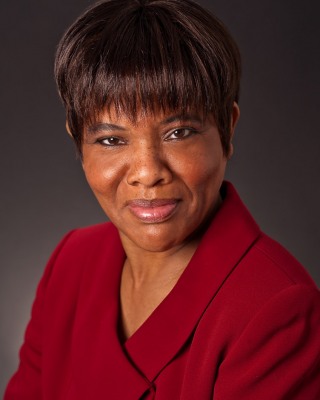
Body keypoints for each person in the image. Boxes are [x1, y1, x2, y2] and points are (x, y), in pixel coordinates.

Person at [4, 0, 320, 398]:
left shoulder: (277, 311)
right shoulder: (70, 264)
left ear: (228, 130)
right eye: (111, 140)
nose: (148, 171)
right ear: (78, 143)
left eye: (179, 132)